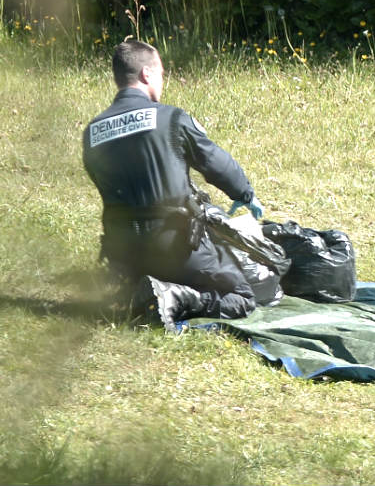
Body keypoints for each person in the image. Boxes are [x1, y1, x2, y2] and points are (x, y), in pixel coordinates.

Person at [83, 40, 265, 329]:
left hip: (122, 254)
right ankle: (178, 298)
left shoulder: (92, 132)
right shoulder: (172, 119)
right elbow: (216, 163)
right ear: (146, 75)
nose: (162, 83)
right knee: (242, 296)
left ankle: (138, 290)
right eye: (161, 74)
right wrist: (244, 192)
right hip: (174, 246)